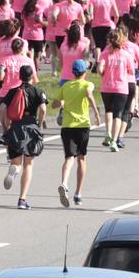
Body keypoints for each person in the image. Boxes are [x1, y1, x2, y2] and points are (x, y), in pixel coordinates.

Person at [54, 59, 100, 207]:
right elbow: (88, 93)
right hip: (82, 125)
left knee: (69, 157)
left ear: (73, 72)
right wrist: (97, 113)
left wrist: (61, 103)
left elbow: (55, 104)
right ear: (85, 72)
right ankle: (78, 194)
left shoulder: (65, 86)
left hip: (67, 126)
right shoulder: (87, 84)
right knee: (81, 158)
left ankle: (64, 183)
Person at [2, 65, 47, 210]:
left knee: (16, 162)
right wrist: (39, 123)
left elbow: (2, 108)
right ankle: (22, 199)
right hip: (31, 128)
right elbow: (44, 109)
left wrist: (5, 126)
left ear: (19, 76)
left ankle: (14, 169)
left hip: (15, 127)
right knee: (28, 164)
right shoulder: (38, 91)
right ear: (32, 75)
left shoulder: (13, 91)